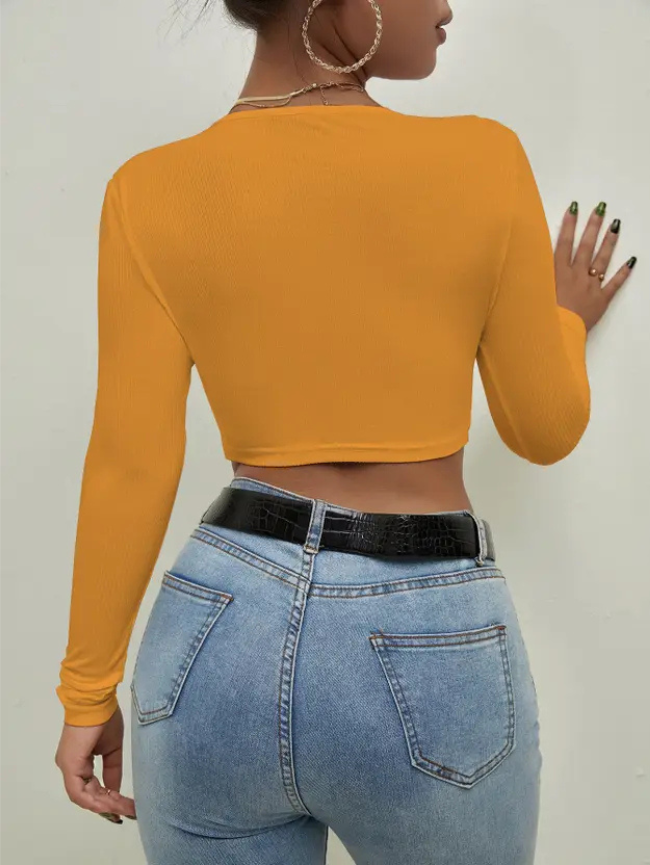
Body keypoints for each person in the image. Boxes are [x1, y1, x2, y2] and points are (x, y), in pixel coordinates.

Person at [54, 0, 636, 861]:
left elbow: (130, 460)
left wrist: (86, 691)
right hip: (428, 630)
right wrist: (562, 319)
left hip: (215, 630)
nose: (445, 7)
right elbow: (543, 427)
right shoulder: (482, 159)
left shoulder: (149, 188)